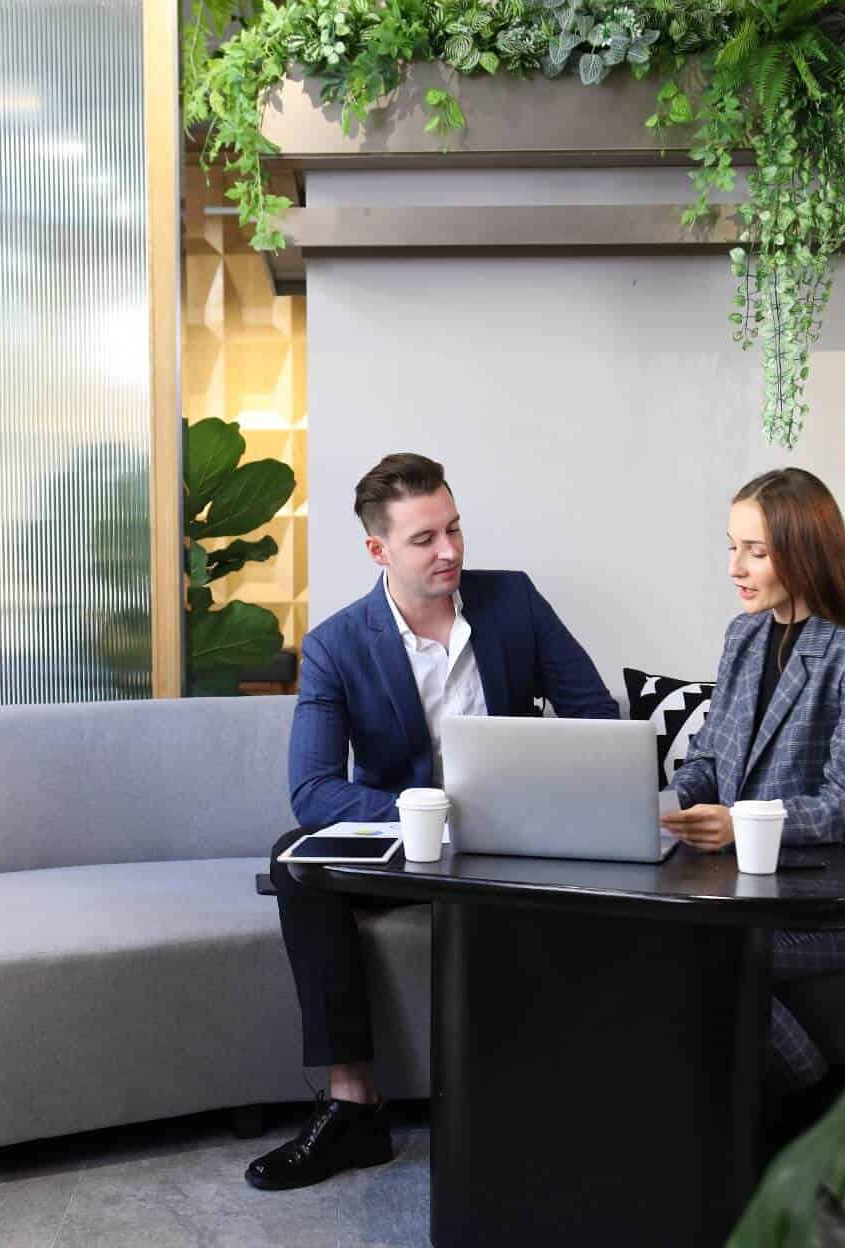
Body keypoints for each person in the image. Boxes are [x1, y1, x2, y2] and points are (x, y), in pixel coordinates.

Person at [248, 452, 619, 1192]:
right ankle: (355, 1109)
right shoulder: (336, 645)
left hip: (520, 843)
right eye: (424, 539)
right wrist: (429, 815)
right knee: (296, 860)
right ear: (377, 551)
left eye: (453, 529)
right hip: (414, 847)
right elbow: (315, 791)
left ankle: (565, 1100)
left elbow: (599, 720)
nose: (449, 550)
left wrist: (538, 796)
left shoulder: (513, 603)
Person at [659, 466, 845, 1136]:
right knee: (644, 938)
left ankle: (827, 1105)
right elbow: (713, 757)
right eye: (731, 547)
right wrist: (667, 802)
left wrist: (736, 822)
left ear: (804, 551)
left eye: (755, 551)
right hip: (755, 883)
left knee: (710, 956)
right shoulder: (743, 635)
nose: (734, 568)